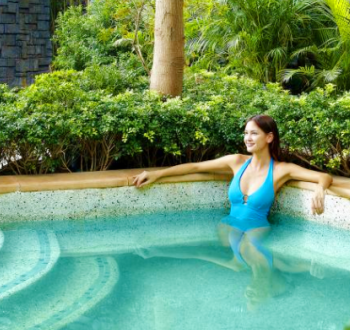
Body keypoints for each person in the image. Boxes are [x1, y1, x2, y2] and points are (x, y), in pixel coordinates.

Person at [129, 115, 333, 306]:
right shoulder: (237, 162)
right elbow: (196, 167)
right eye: (246, 133)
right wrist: (157, 174)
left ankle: (264, 284)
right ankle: (266, 281)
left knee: (248, 245)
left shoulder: (281, 170)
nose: (247, 138)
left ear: (269, 137)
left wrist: (319, 189)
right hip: (229, 226)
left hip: (256, 227)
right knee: (241, 247)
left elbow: (323, 177)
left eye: (254, 133)